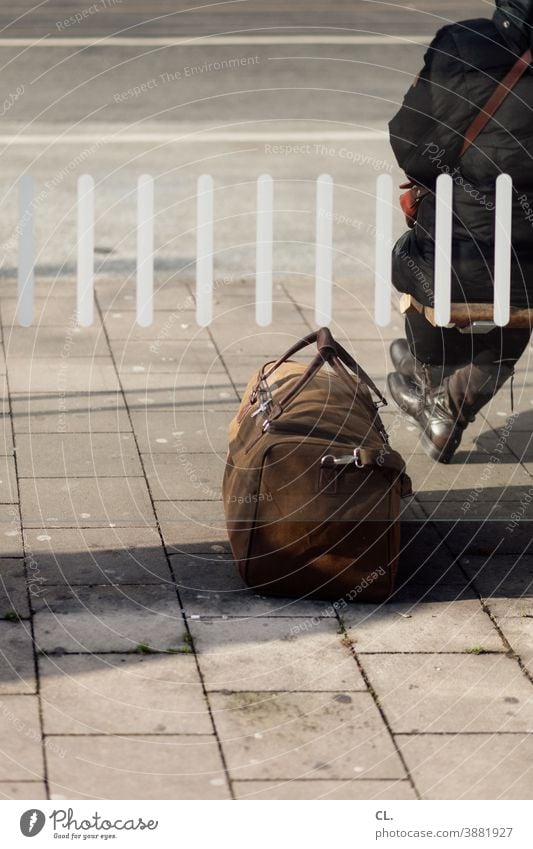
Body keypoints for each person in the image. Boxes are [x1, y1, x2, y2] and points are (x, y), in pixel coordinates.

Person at [387, 0, 533, 463]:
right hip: (529, 261)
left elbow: (410, 146)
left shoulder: (464, 42)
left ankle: (431, 385)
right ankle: (447, 400)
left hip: (455, 251)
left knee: (417, 264)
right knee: (514, 302)